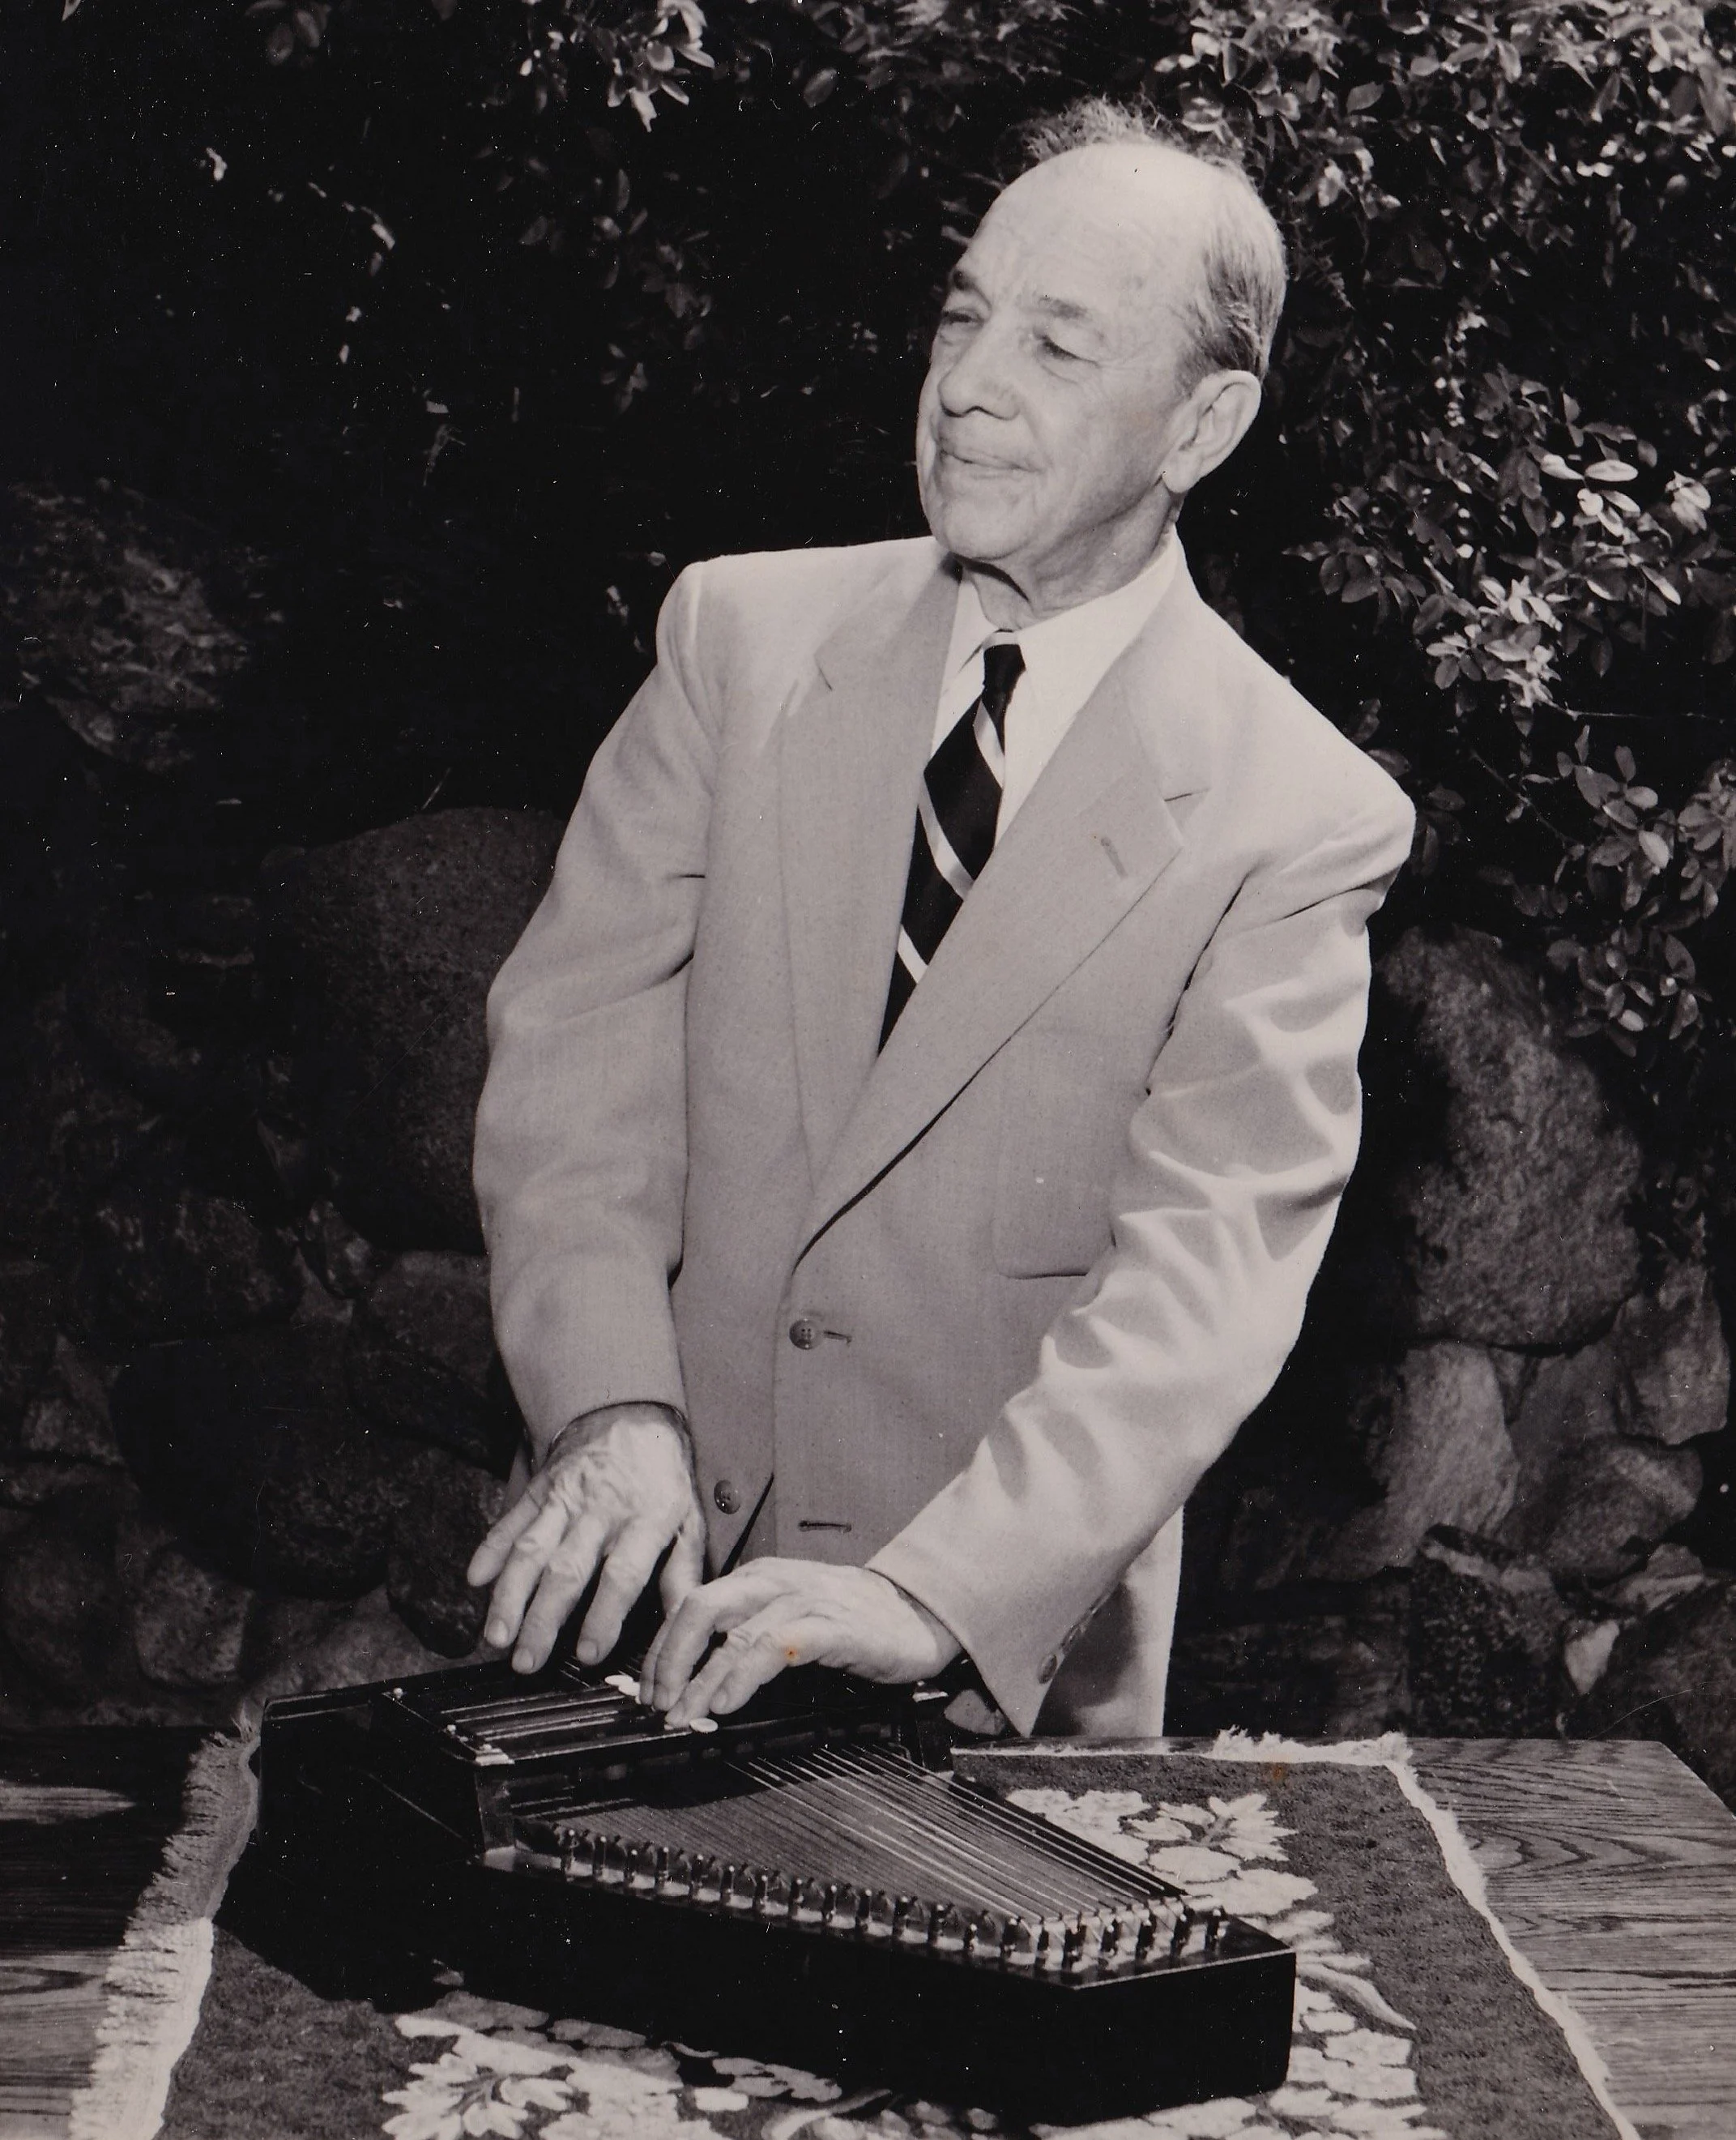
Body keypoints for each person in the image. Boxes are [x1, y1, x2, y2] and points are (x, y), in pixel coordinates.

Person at [466, 100, 1414, 1739]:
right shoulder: (735, 639)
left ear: (1202, 425)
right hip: (644, 1600)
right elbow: (576, 1059)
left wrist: (931, 1594)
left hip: (1001, 1681)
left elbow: (1203, 1287)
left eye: (1058, 346)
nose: (970, 383)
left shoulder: (1298, 816)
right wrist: (609, 1405)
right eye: (964, 317)